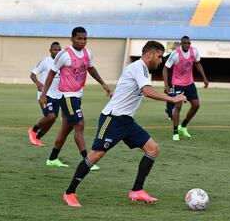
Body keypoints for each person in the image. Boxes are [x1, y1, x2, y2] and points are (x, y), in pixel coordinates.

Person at [62, 41, 186, 207]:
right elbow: (147, 91)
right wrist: (173, 99)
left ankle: (137, 190)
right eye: (159, 57)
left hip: (126, 121)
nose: (160, 61)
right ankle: (69, 193)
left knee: (152, 149)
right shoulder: (138, 67)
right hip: (112, 119)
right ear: (149, 54)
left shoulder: (141, 69)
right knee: (95, 156)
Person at [40, 27, 112, 170]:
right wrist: (43, 94)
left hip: (77, 95)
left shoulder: (87, 54)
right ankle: (87, 160)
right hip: (66, 95)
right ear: (72, 39)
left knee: (66, 129)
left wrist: (103, 84)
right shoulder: (64, 54)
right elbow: (51, 74)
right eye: (79, 38)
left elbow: (90, 69)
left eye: (85, 38)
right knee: (79, 124)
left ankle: (52, 158)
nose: (82, 41)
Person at [162, 36, 209, 141]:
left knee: (196, 105)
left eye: (188, 43)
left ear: (190, 44)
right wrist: (166, 85)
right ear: (181, 43)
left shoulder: (194, 51)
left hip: (189, 83)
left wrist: (204, 78)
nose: (186, 45)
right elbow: (165, 68)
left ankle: (182, 126)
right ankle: (175, 132)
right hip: (178, 84)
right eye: (184, 43)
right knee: (178, 106)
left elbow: (197, 64)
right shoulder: (175, 54)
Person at [28, 42, 62, 146]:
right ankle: (33, 130)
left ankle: (38, 138)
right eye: (55, 50)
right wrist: (38, 83)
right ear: (50, 50)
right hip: (44, 95)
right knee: (50, 116)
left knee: (52, 120)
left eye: (59, 50)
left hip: (57, 95)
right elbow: (32, 74)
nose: (57, 52)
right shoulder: (45, 61)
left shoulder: (62, 62)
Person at [163, 41, 181, 120]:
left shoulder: (181, 57)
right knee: (170, 98)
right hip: (170, 82)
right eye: (176, 48)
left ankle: (168, 110)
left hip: (179, 82)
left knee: (177, 98)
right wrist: (166, 84)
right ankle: (170, 114)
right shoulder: (167, 57)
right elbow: (165, 70)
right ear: (173, 48)